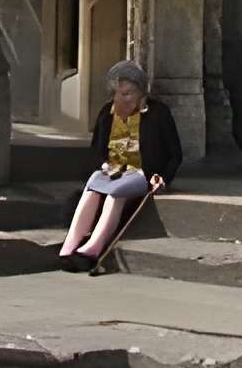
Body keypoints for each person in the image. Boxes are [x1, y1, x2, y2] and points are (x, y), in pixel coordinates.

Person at [55, 60, 182, 270]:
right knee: (93, 185)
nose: (122, 98)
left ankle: (92, 250)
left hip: (140, 173)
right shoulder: (107, 113)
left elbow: (175, 154)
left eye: (128, 93)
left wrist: (163, 177)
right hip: (112, 171)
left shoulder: (159, 113)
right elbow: (96, 150)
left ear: (141, 92)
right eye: (118, 93)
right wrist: (104, 165)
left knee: (115, 193)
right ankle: (69, 247)